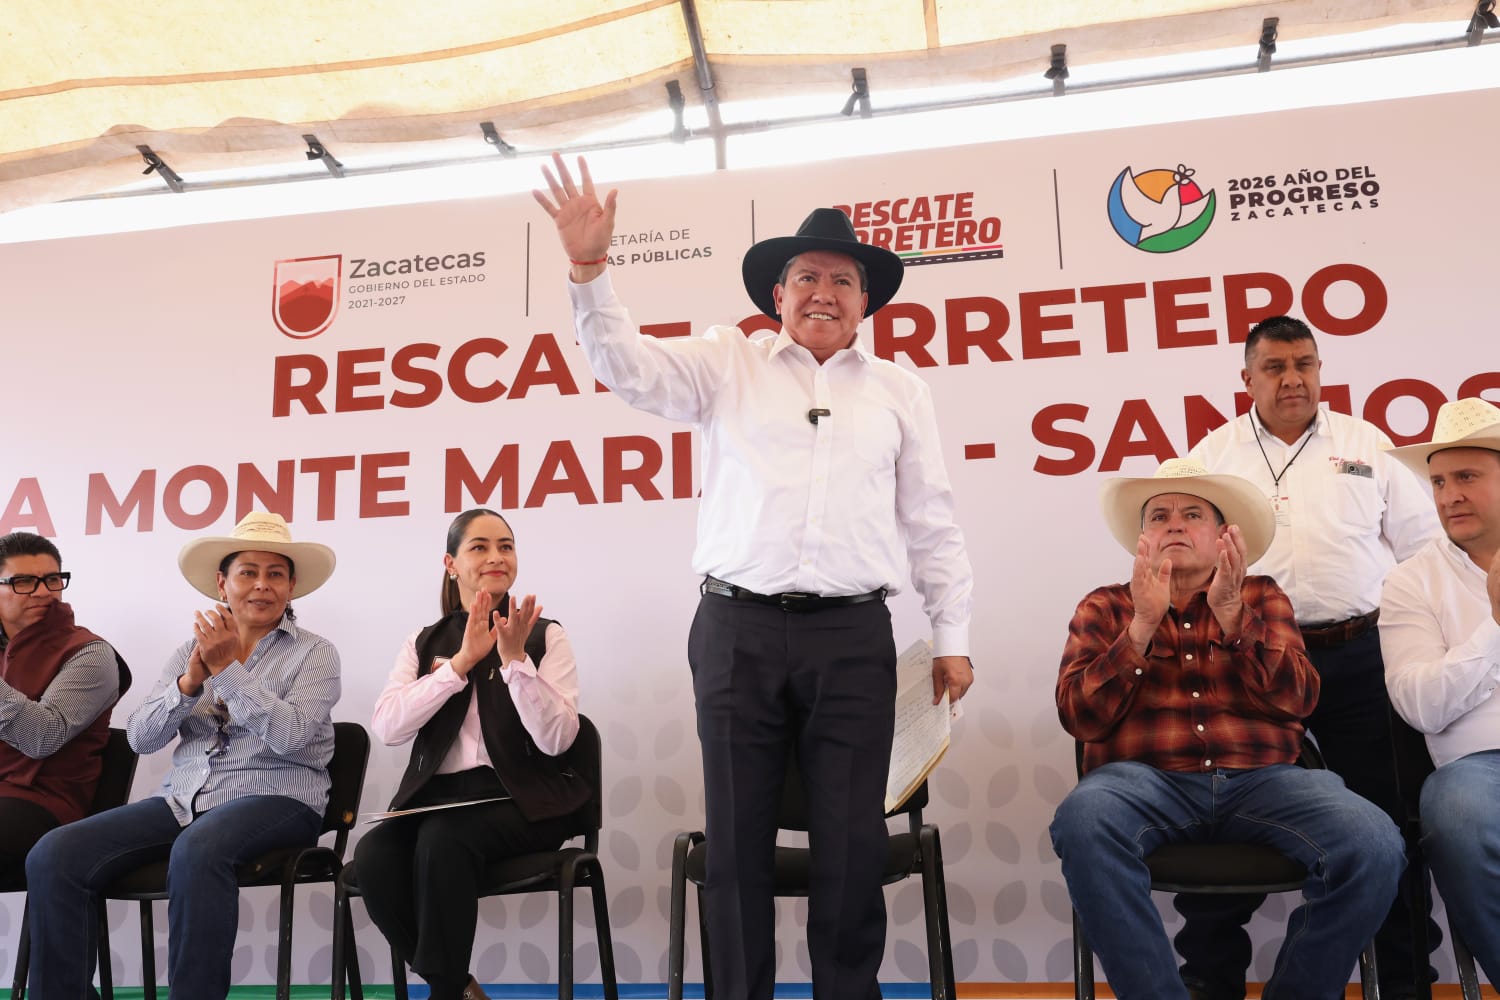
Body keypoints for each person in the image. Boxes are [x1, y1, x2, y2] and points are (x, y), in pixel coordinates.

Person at [534, 154, 975, 1000]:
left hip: (854, 635)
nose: (823, 292)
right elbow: (627, 367)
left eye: (842, 281)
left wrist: (951, 636)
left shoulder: (900, 391)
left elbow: (932, 520)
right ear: (777, 295)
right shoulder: (725, 362)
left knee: (852, 842)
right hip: (737, 630)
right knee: (736, 842)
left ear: (866, 302)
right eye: (806, 276)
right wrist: (589, 269)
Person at [1050, 458, 1404, 1000]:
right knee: (1083, 819)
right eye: (1159, 516)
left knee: (1374, 842)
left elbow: (1301, 699)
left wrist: (1236, 618)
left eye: (1192, 514)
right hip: (1143, 784)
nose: (1174, 524)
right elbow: (1079, 716)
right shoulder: (1105, 606)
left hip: (1264, 780)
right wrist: (1140, 628)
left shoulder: (1262, 596)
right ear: (1143, 540)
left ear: (1222, 537)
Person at [1184, 314, 1440, 1000]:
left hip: (1361, 658)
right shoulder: (1212, 458)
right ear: (1247, 379)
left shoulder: (1366, 443)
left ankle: (1406, 982)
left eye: (1304, 364)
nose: (1292, 379)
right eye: (1275, 367)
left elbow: (1423, 551)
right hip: (1250, 665)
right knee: (1225, 821)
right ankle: (1210, 982)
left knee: (1388, 822)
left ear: (1320, 370)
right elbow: (1188, 565)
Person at [25, 511, 340, 1000]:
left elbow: (291, 737)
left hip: (280, 798)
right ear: (222, 583)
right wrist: (189, 682)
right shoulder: (188, 650)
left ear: (291, 587)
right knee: (54, 853)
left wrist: (228, 670)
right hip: (182, 801)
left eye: (276, 574)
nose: (262, 585)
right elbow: (140, 738)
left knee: (199, 848)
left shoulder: (316, 653)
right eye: (248, 572)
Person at [355, 509, 585, 1000]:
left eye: (506, 546)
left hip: (525, 801)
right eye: (479, 547)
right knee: (373, 856)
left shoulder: (545, 635)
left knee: (444, 840)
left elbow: (558, 740)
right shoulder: (423, 642)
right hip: (437, 800)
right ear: (451, 564)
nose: (496, 556)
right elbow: (389, 726)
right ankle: (458, 987)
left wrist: (516, 661)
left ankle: (445, 994)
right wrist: (459, 665)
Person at [1379, 397, 1500, 986]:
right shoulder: (1410, 581)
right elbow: (1420, 704)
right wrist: (1494, 626)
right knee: (1456, 811)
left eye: (1467, 477)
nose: (1450, 495)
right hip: (1477, 768)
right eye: (1439, 482)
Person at [0, 532, 131, 873]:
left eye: (52, 580)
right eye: (24, 582)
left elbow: (42, 737)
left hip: (44, 806)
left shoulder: (89, 653)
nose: (43, 591)